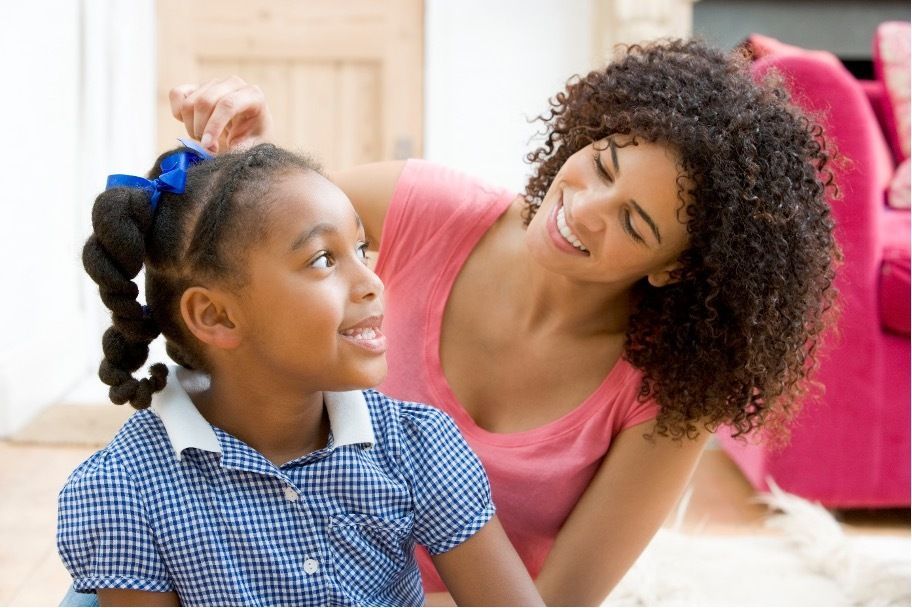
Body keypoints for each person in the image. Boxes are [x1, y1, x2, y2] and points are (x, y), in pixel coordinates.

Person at [168, 38, 841, 605]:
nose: (585, 210)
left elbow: (560, 599)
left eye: (633, 223)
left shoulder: (669, 394)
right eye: (602, 165)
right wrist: (243, 155)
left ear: (676, 269)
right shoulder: (426, 210)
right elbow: (250, 245)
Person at [57, 140, 544, 607]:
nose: (371, 282)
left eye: (362, 249)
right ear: (216, 316)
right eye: (323, 260)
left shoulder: (419, 445)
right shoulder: (123, 491)